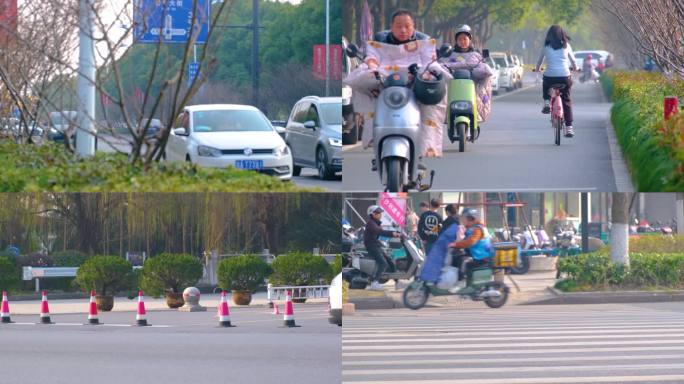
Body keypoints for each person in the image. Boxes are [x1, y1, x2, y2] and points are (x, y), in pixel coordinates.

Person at [344, 9, 452, 161]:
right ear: (391, 26)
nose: (403, 30)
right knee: (361, 79)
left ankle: (424, 146)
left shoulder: (424, 41)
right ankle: (375, 138)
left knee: (434, 90)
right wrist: (372, 65)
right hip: (385, 83)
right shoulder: (380, 39)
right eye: (398, 26)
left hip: (415, 86)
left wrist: (428, 73)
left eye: (407, 26)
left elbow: (430, 61)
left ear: (413, 26)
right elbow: (372, 56)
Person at [441, 24, 494, 123]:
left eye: (465, 39)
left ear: (470, 40)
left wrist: (478, 70)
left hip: (471, 88)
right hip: (454, 87)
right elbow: (443, 65)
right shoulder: (450, 55)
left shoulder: (476, 55)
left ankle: (478, 111)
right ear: (456, 41)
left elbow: (483, 68)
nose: (462, 42)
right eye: (460, 39)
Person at [535, 25, 578, 138]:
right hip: (565, 77)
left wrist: (538, 69)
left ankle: (547, 102)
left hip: (550, 77)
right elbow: (573, 61)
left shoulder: (546, 46)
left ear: (549, 35)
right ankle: (569, 128)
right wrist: (575, 68)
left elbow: (539, 61)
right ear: (562, 34)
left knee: (546, 84)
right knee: (567, 100)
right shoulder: (566, 46)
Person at [363, 205, 400, 291]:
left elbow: (381, 231)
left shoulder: (375, 223)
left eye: (380, 213)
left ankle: (397, 282)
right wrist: (392, 234)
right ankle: (374, 282)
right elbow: (379, 231)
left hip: (376, 245)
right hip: (372, 247)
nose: (380, 214)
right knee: (383, 263)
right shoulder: (371, 224)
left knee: (390, 261)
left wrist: (396, 232)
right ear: (373, 214)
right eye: (378, 213)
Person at [449, 208, 493, 279]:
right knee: (456, 255)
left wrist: (455, 244)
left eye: (464, 218)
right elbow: (465, 240)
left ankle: (461, 281)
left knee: (461, 261)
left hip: (481, 257)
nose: (462, 220)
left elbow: (471, 241)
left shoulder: (478, 229)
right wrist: (454, 244)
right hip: (477, 255)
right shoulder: (474, 228)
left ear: (470, 218)